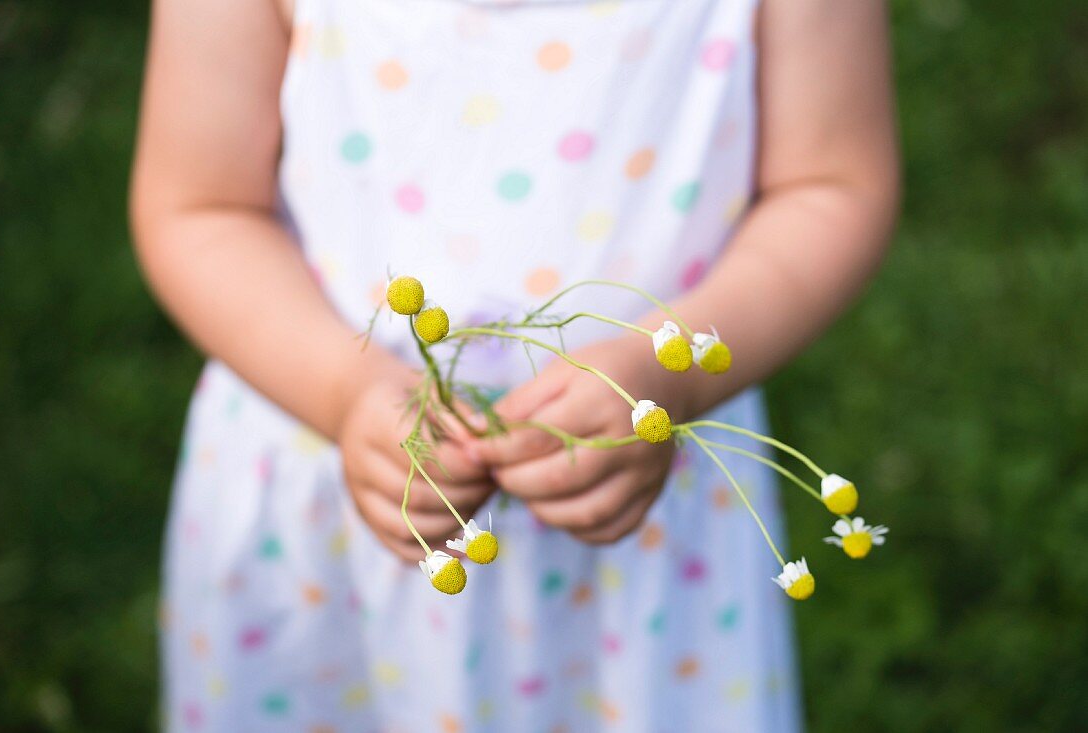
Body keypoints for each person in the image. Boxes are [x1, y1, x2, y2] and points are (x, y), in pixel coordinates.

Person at [130, 0, 898, 729]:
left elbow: (830, 186)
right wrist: (342, 391)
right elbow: (202, 205)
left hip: (642, 559)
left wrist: (671, 375)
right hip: (323, 514)